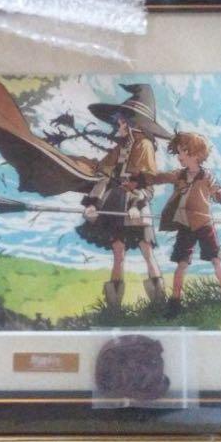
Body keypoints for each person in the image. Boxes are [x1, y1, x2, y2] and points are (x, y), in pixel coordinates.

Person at [75, 84, 170, 310]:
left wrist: (137, 204)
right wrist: (93, 202)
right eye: (118, 121)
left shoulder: (145, 146)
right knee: (118, 252)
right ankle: (113, 308)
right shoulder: (120, 147)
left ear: (133, 123)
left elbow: (147, 181)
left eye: (121, 121)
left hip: (136, 203)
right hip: (115, 203)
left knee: (146, 251)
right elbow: (103, 174)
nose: (117, 125)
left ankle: (159, 304)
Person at [129, 130, 221, 319]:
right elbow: (159, 177)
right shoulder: (179, 175)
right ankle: (175, 303)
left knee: (216, 259)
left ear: (195, 154)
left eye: (181, 152)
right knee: (181, 263)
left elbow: (218, 196)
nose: (178, 156)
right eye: (178, 152)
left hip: (204, 224)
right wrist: (139, 179)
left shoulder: (207, 176)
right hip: (185, 225)